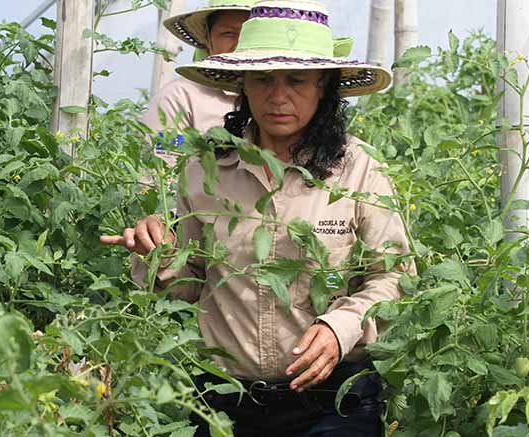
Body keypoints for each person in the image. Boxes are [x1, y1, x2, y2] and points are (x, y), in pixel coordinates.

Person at [103, 0, 414, 435]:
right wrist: (156, 255)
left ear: (322, 85)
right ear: (242, 85)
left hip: (335, 404)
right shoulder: (205, 171)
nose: (278, 95)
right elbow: (192, 284)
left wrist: (339, 327)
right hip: (226, 402)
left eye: (296, 80)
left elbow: (395, 278)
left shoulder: (359, 170)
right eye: (263, 79)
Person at [143, 0, 255, 142]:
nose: (241, 43)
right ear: (207, 39)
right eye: (228, 33)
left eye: (251, 33)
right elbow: (162, 163)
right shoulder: (180, 98)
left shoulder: (280, 94)